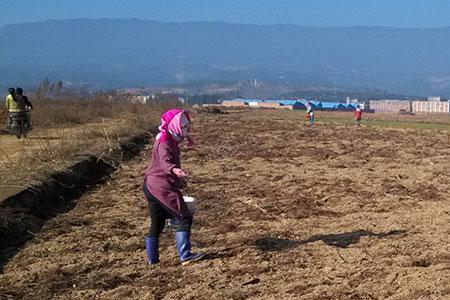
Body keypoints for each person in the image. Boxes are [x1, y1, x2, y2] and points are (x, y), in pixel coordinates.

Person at [143, 109, 204, 266]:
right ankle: (186, 256)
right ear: (174, 125)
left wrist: (178, 178)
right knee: (184, 217)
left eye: (187, 127)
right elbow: (165, 161)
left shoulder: (169, 138)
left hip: (150, 185)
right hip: (162, 188)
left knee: (157, 222)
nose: (186, 130)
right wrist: (175, 170)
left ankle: (152, 260)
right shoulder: (165, 143)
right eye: (183, 127)